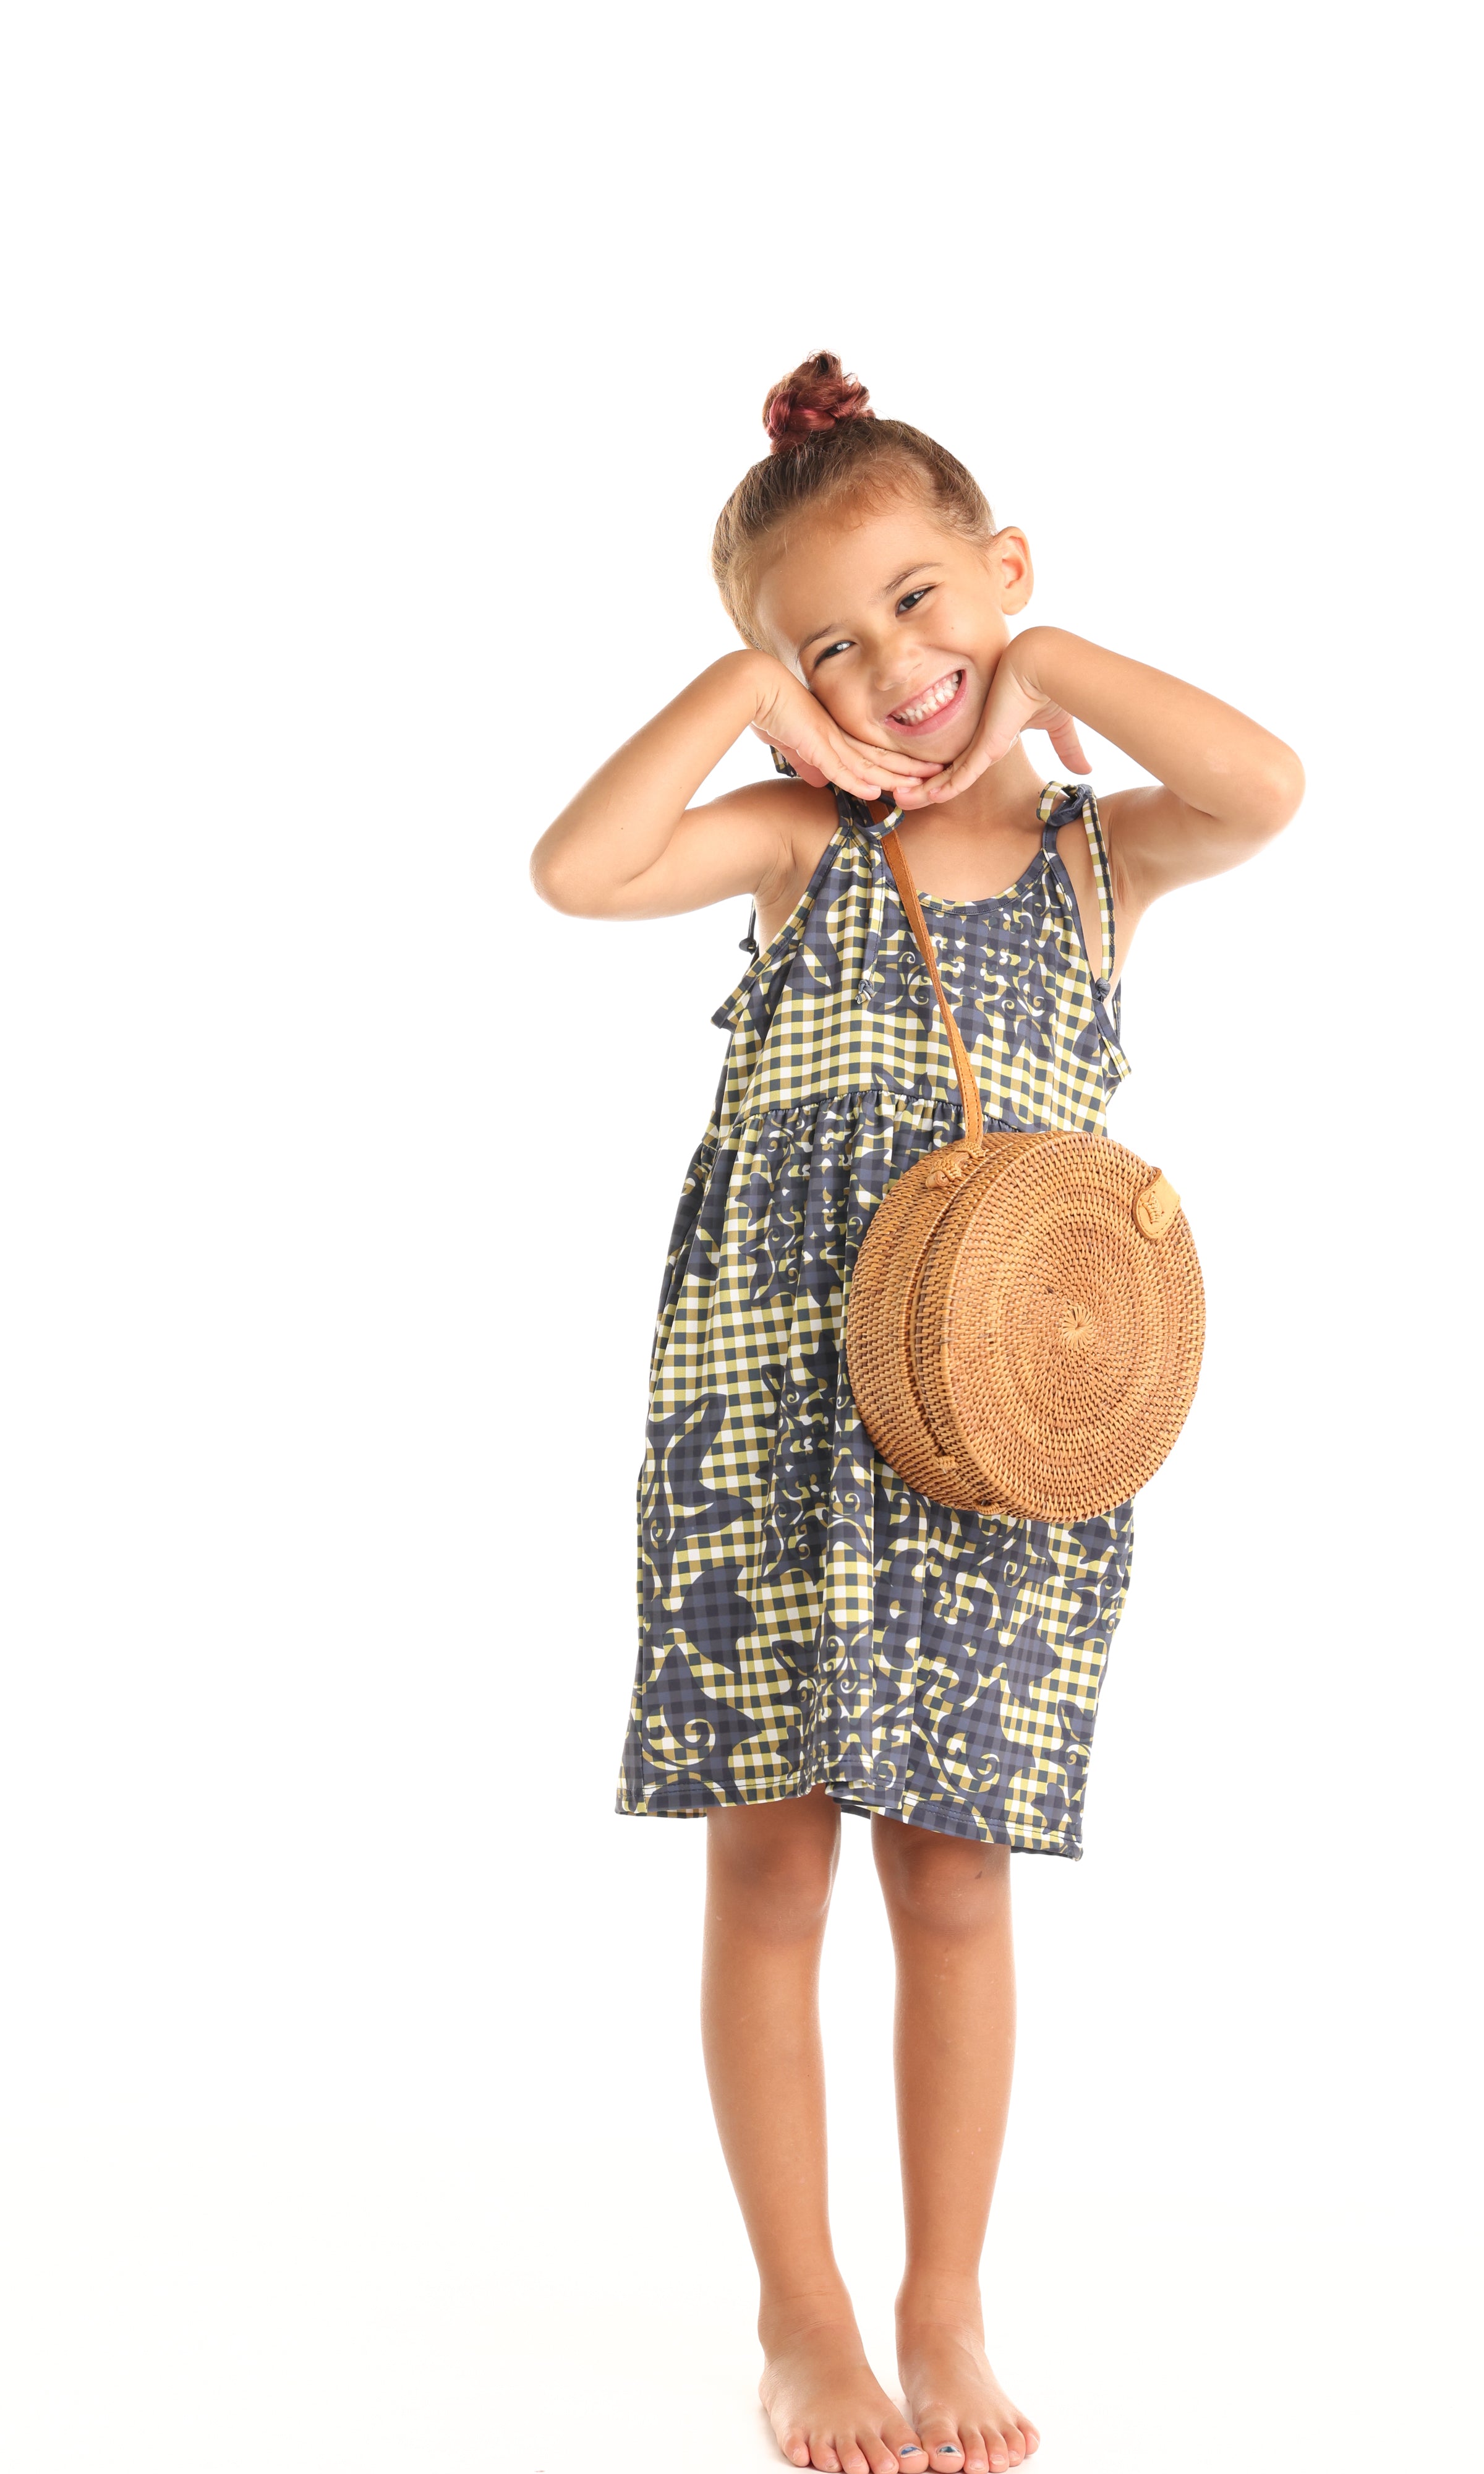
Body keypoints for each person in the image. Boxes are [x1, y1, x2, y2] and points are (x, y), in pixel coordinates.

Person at [530, 353, 1303, 2474]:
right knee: (770, 1869)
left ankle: (941, 2299)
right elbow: (578, 871)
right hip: (766, 1425)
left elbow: (1266, 785)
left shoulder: (1093, 862)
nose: (890, 667)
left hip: (993, 1436)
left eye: (919, 604)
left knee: (954, 1881)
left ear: (1003, 571)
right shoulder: (798, 843)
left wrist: (1045, 669)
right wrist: (736, 698)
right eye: (827, 648)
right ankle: (802, 2319)